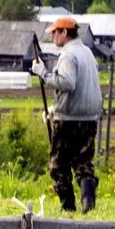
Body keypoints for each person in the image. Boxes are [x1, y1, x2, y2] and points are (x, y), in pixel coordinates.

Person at [31, 16, 102, 213]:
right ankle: (88, 202)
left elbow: (68, 83)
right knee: (83, 162)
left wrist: (43, 73)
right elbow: (85, 86)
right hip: (89, 119)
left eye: (55, 32)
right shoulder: (87, 53)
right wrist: (55, 109)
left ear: (64, 32)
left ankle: (68, 208)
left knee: (58, 165)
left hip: (69, 120)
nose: (53, 36)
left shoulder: (69, 55)